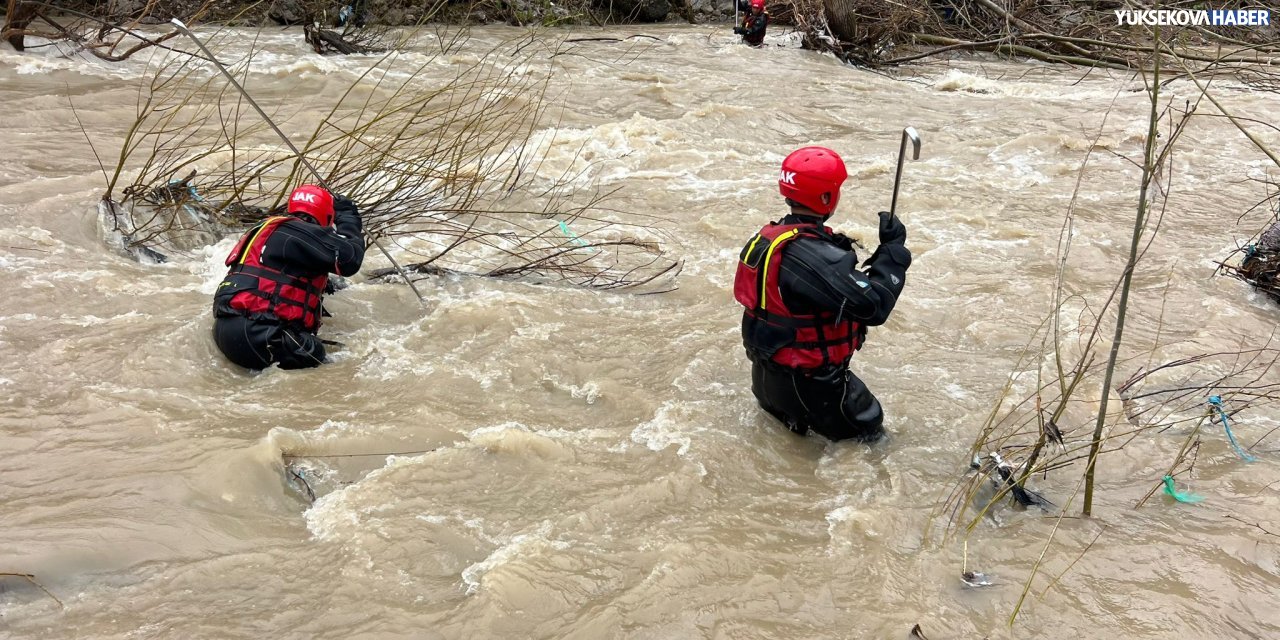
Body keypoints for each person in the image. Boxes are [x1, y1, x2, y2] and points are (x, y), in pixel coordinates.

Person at [733, 146, 912, 441]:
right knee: (875, 443)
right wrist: (892, 252)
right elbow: (875, 307)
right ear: (826, 197)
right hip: (815, 389)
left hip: (767, 383)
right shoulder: (815, 257)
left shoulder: (768, 239)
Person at [212, 185, 365, 370]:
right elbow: (351, 259)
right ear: (326, 216)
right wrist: (349, 219)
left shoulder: (268, 229)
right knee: (338, 364)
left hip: (225, 332)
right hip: (261, 335)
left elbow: (280, 280)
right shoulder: (303, 233)